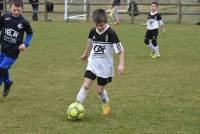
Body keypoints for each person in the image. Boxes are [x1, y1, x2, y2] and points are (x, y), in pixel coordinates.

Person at [75, 9, 125, 116]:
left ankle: (105, 105)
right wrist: (85, 54)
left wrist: (121, 65)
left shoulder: (111, 33)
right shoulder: (93, 31)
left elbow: (120, 50)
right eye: (96, 25)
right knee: (86, 85)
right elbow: (90, 44)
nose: (98, 27)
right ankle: (76, 105)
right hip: (93, 63)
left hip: (105, 68)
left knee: (99, 91)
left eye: (101, 25)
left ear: (106, 21)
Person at [0, 0, 33, 97]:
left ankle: (4, 82)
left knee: (1, 68)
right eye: (14, 10)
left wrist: (25, 44)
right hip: (3, 49)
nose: (16, 12)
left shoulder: (24, 22)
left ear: (22, 9)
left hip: (13, 52)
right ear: (10, 8)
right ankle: (8, 82)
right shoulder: (5, 17)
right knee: (3, 68)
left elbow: (30, 33)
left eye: (19, 10)